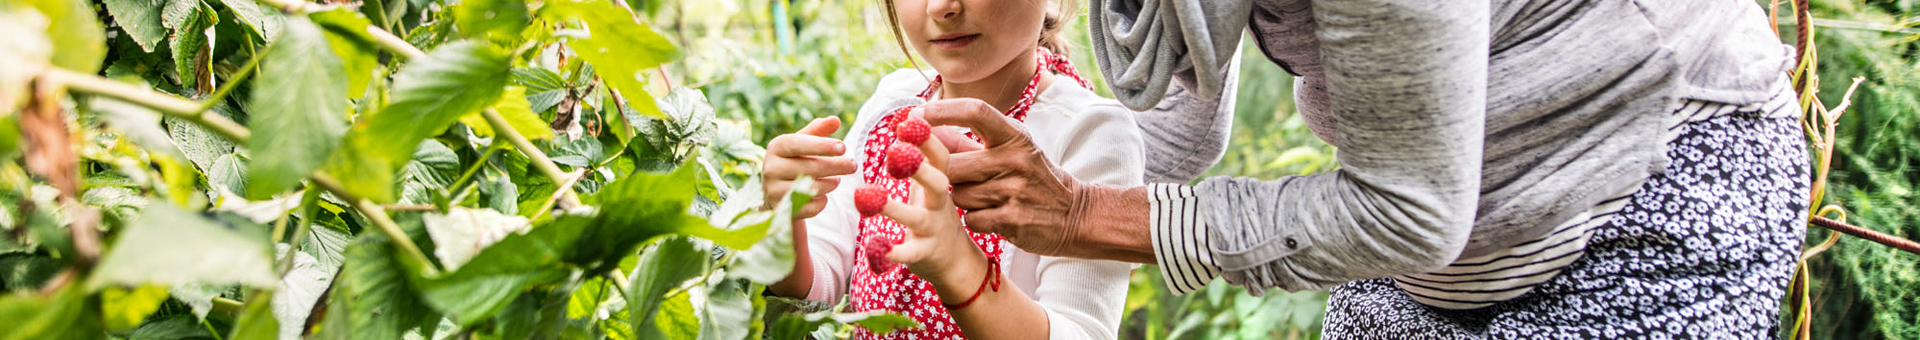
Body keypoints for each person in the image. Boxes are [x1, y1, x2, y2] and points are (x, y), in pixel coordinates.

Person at [920, 0, 1809, 337]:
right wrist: (1037, 135)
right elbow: (1176, 141)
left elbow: (1408, 210)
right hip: (1439, 239)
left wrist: (1082, 216)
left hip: (1644, 188)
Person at [758, 0, 1144, 338]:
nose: (940, 6)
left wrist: (959, 266)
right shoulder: (891, 105)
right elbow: (817, 286)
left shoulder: (1089, 133)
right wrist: (782, 219)